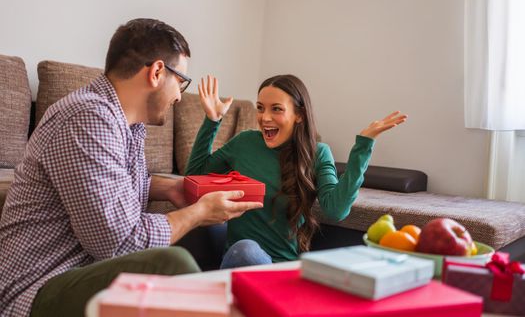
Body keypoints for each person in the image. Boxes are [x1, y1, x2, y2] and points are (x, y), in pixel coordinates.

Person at [0, 19, 262, 317]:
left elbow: (110, 185)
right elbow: (122, 242)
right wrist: (197, 213)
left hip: (81, 270)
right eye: (181, 82)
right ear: (157, 72)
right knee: (170, 264)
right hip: (36, 289)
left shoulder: (125, 125)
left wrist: (170, 188)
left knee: (206, 237)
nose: (179, 96)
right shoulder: (88, 118)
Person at [185, 74, 407, 269]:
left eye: (277, 109)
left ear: (299, 115)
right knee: (244, 250)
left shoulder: (318, 153)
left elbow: (336, 210)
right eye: (260, 108)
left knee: (246, 250)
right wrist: (212, 121)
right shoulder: (244, 142)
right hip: (239, 259)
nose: (265, 117)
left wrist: (363, 147)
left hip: (281, 268)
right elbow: (194, 176)